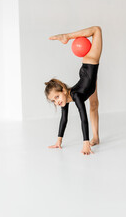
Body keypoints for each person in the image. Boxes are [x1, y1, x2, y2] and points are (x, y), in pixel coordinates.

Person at [44, 26, 102, 155]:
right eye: (54, 101)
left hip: (90, 63)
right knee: (94, 105)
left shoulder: (76, 96)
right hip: (90, 80)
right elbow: (64, 120)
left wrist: (85, 143)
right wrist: (58, 141)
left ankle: (67, 36)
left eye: (57, 97)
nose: (56, 102)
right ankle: (96, 138)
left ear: (63, 90)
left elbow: (83, 118)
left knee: (97, 30)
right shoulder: (66, 99)